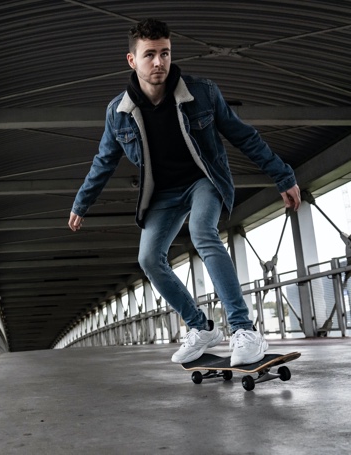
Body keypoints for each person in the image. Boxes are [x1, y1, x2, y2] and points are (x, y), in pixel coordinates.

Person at [68, 18, 301, 366]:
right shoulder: (118, 113)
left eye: (165, 53)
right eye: (149, 55)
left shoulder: (202, 93)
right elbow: (104, 161)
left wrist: (283, 176)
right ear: (132, 61)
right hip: (161, 194)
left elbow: (243, 135)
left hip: (204, 181)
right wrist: (81, 204)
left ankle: (244, 330)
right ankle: (201, 327)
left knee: (202, 231)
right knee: (148, 259)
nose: (159, 62)